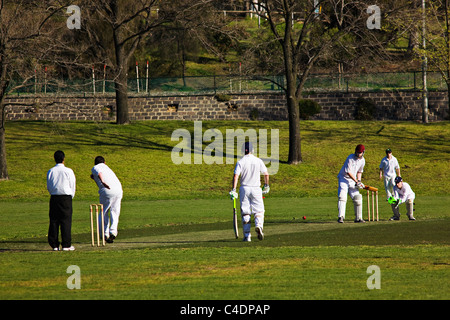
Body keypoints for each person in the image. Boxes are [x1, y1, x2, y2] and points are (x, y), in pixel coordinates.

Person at [230, 142, 269, 242]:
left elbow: (236, 176)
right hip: (256, 189)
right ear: (252, 150)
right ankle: (259, 226)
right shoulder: (258, 161)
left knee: (245, 212)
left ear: (243, 151)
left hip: (245, 189)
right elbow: (266, 174)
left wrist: (233, 190)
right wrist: (266, 185)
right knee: (259, 210)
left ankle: (247, 236)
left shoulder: (240, 162)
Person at [47, 150, 76, 251]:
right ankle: (66, 245)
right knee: (66, 221)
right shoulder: (68, 171)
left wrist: (54, 193)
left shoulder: (51, 171)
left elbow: (49, 186)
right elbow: (72, 185)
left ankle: (54, 245)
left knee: (54, 221)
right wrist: (71, 195)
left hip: (54, 197)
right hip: (66, 197)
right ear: (63, 159)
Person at [90, 156, 123, 243]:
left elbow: (99, 172)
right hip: (118, 190)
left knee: (103, 211)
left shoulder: (96, 167)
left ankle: (105, 233)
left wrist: (103, 181)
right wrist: (96, 179)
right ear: (104, 162)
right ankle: (113, 232)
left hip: (107, 190)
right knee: (115, 211)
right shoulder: (107, 168)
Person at [337, 144, 366, 223]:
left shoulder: (363, 161)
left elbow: (360, 171)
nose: (358, 154)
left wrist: (359, 181)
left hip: (352, 181)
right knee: (342, 197)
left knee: (358, 197)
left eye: (359, 153)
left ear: (363, 152)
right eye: (357, 152)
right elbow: (349, 172)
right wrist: (357, 181)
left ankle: (358, 218)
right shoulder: (350, 158)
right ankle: (341, 217)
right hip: (344, 178)